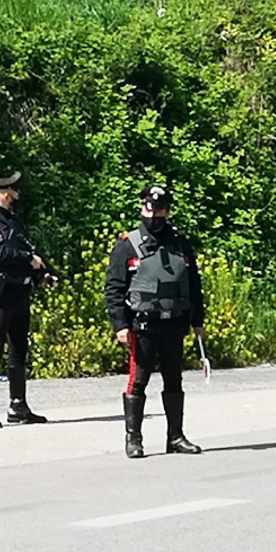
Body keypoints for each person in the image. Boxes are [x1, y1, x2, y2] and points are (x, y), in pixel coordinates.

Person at [104, 184, 205, 458]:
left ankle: (176, 437)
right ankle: (133, 440)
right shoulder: (127, 244)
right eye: (150, 209)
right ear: (142, 208)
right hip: (142, 325)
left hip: (174, 322)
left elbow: (193, 284)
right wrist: (120, 324)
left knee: (174, 380)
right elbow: (114, 288)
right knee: (138, 381)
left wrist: (197, 319)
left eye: (160, 211)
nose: (154, 215)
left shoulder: (179, 243)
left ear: (167, 212)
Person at [0, 171, 57, 428]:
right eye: (13, 191)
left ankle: (18, 406)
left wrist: (42, 273)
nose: (16, 196)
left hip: (21, 290)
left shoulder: (12, 221)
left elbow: (27, 250)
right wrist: (28, 260)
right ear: (4, 193)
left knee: (19, 349)